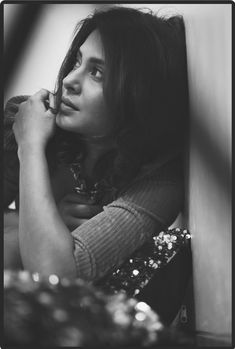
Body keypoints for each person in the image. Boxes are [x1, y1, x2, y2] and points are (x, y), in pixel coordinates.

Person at [4, 6, 188, 284]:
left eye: (97, 73)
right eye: (76, 63)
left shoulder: (159, 183)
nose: (68, 81)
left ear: (139, 94)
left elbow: (56, 277)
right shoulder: (26, 121)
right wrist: (29, 146)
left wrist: (30, 150)